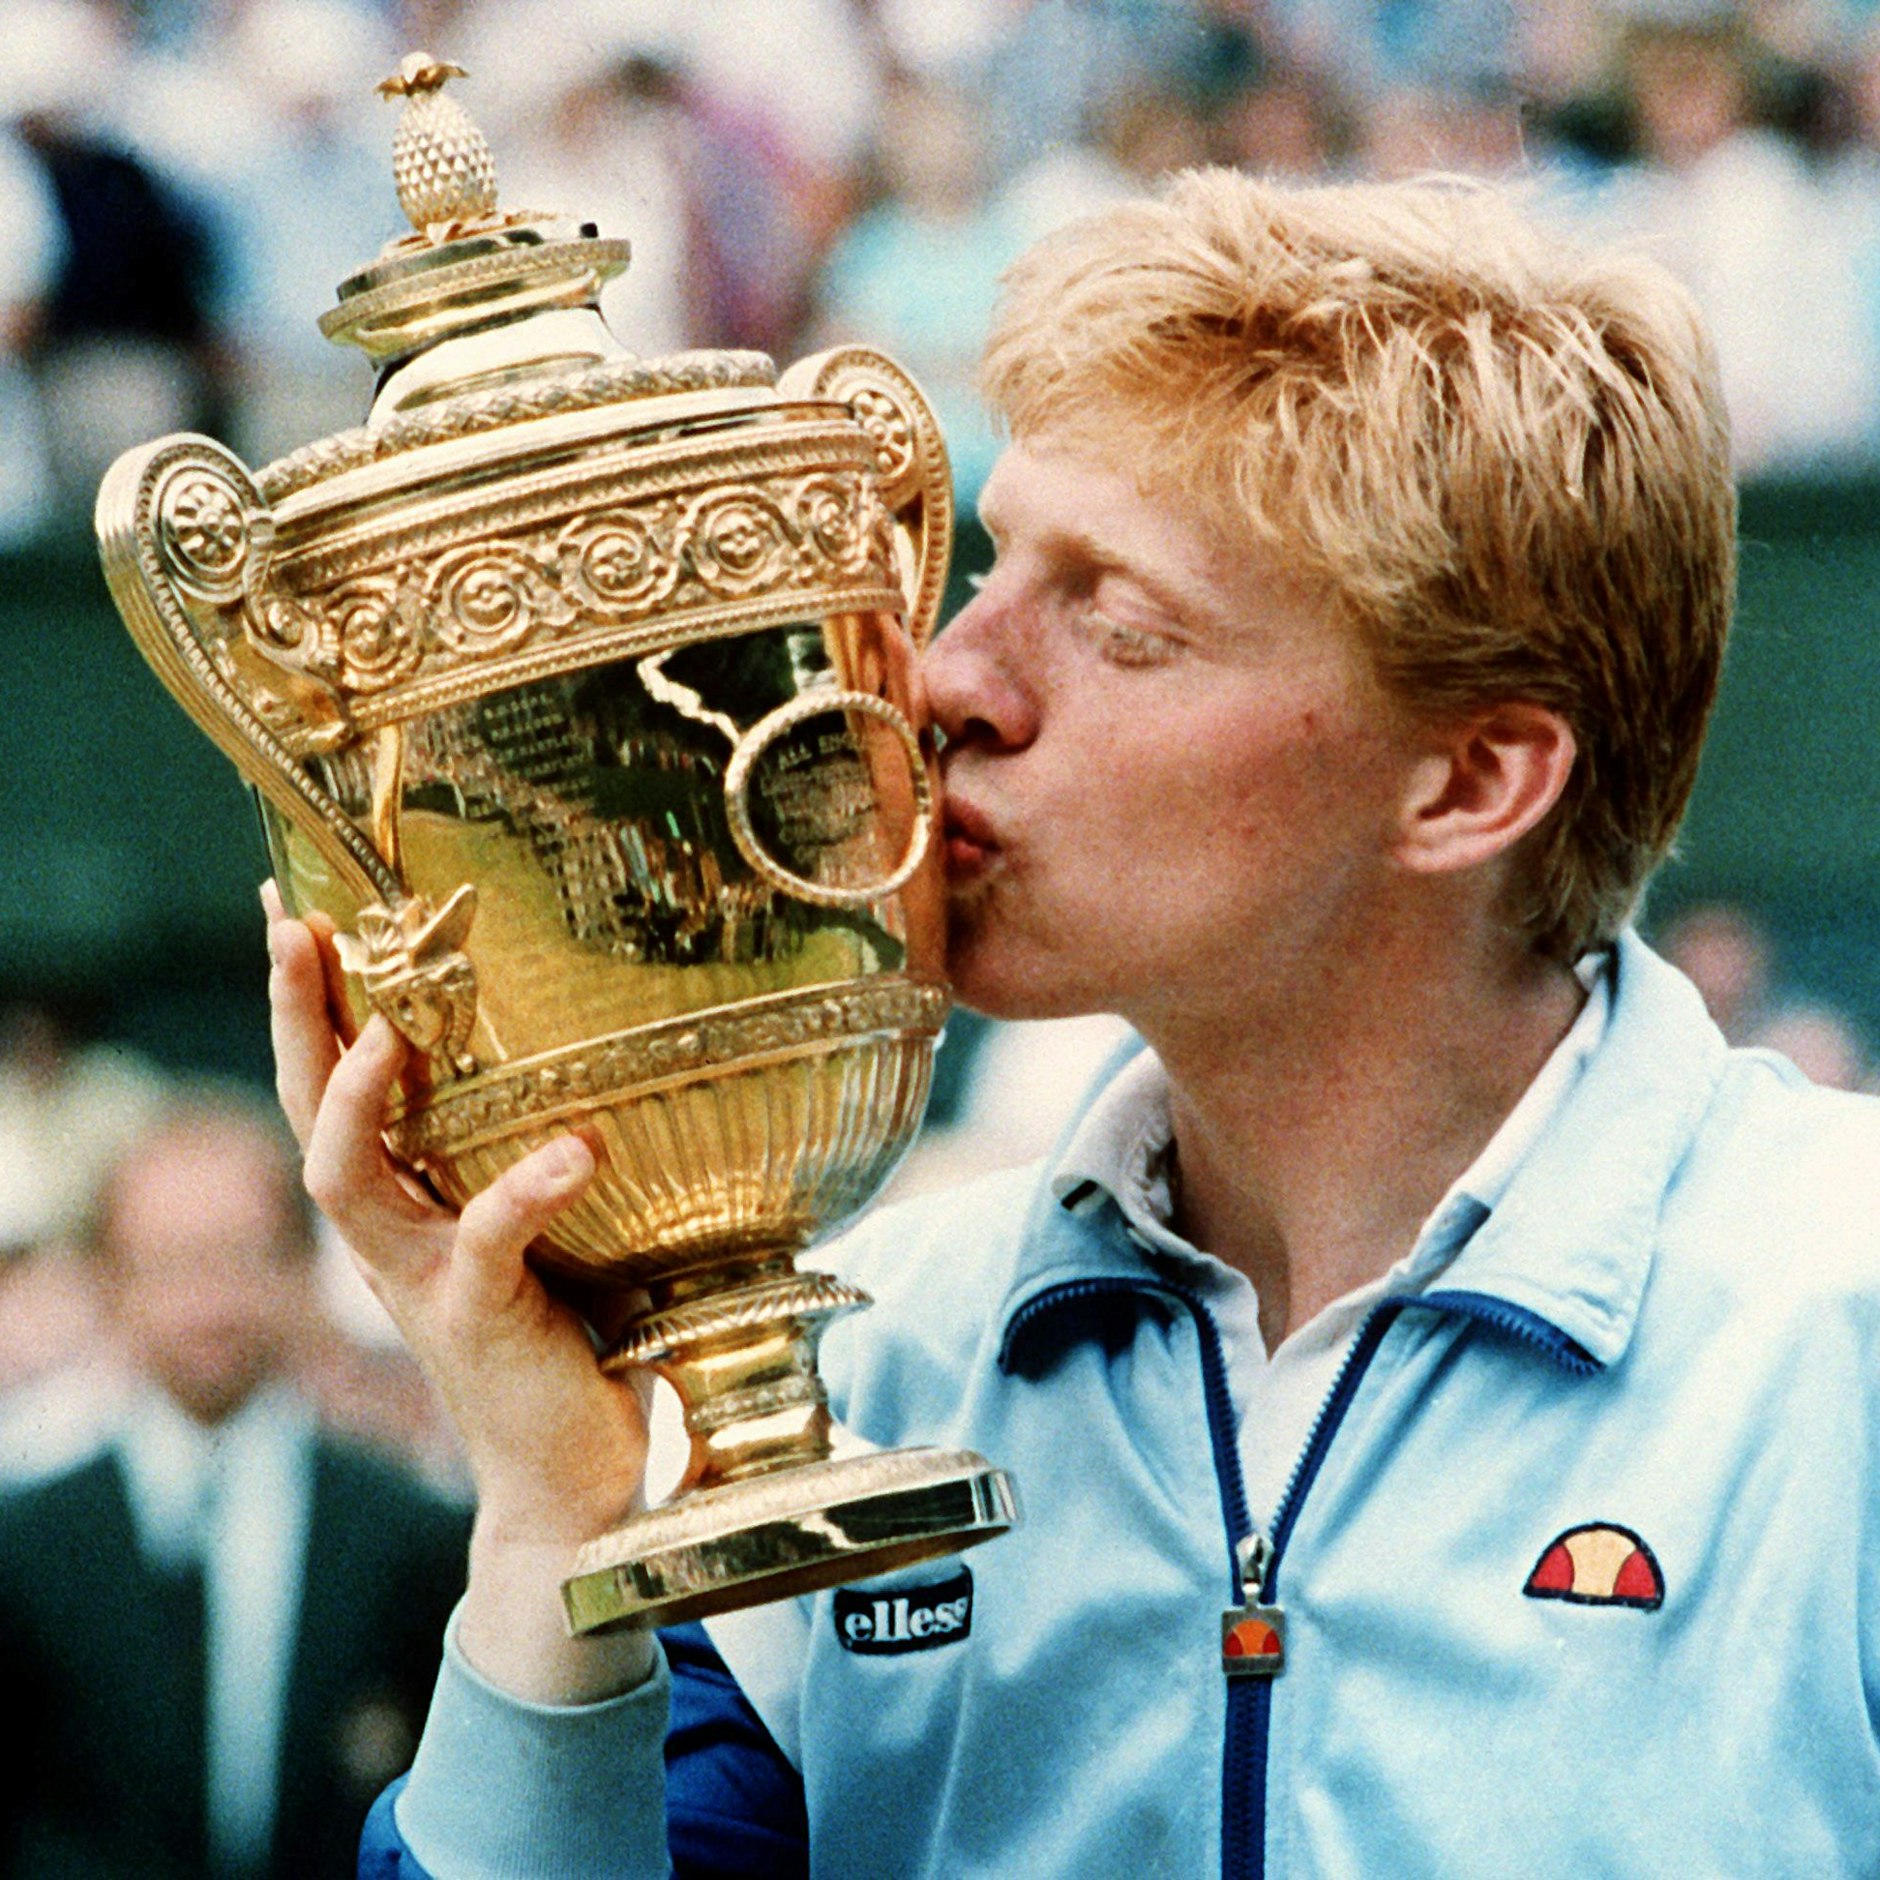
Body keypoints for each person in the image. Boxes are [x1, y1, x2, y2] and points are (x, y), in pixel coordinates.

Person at [266, 170, 1880, 1875]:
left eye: (1119, 620)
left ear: (1474, 780)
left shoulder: (1835, 1329)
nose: (953, 676)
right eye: (990, 563)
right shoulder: (879, 1360)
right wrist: (550, 1529)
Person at [0, 1089, 470, 1879]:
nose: (207, 1304)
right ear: (108, 1281)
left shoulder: (408, 1534)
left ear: (298, 1269)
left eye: (238, 1258)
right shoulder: (25, 1545)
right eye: (171, 1264)